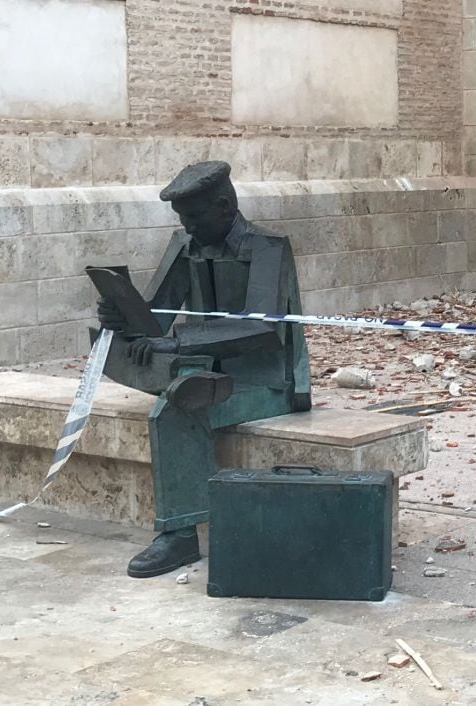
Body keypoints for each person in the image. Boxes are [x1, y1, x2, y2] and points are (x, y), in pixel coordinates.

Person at [96, 161, 311, 578]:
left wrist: (178, 342)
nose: (188, 227)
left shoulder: (268, 248)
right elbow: (154, 321)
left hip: (264, 380)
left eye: (195, 217)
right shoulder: (186, 244)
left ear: (225, 205)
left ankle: (179, 535)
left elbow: (261, 328)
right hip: (199, 368)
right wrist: (119, 315)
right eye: (183, 219)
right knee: (155, 371)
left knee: (177, 408)